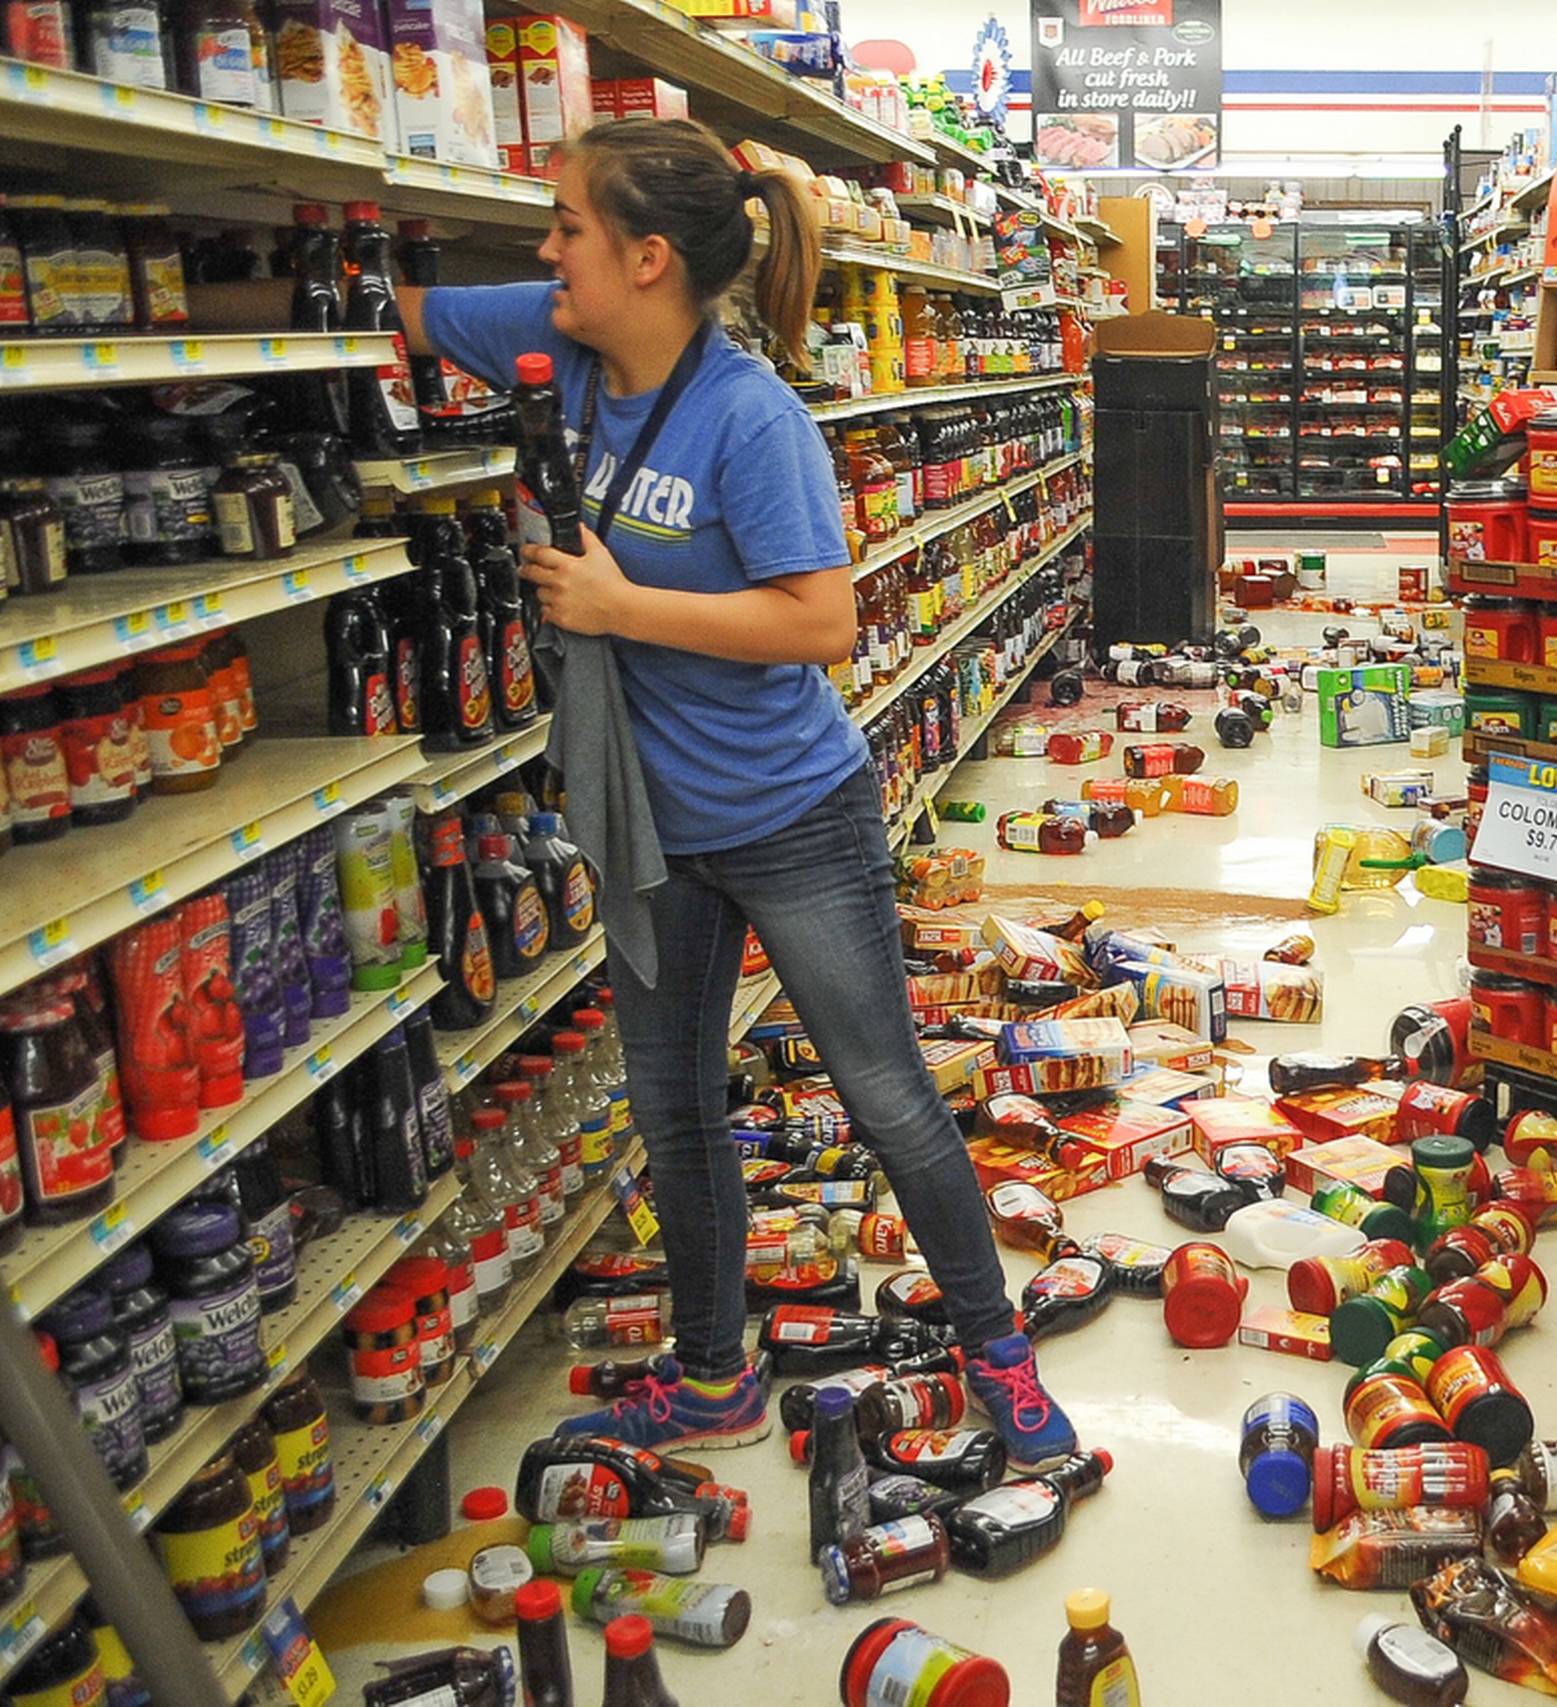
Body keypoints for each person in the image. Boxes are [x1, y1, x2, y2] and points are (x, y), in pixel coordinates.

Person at [333, 121, 1072, 1467]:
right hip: (644, 826)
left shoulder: (751, 417)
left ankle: (998, 1354)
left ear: (649, 258)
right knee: (673, 1110)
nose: (545, 249)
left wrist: (625, 603)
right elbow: (391, 312)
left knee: (885, 1093)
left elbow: (824, 625)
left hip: (792, 815)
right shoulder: (553, 338)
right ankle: (712, 1375)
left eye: (565, 226)